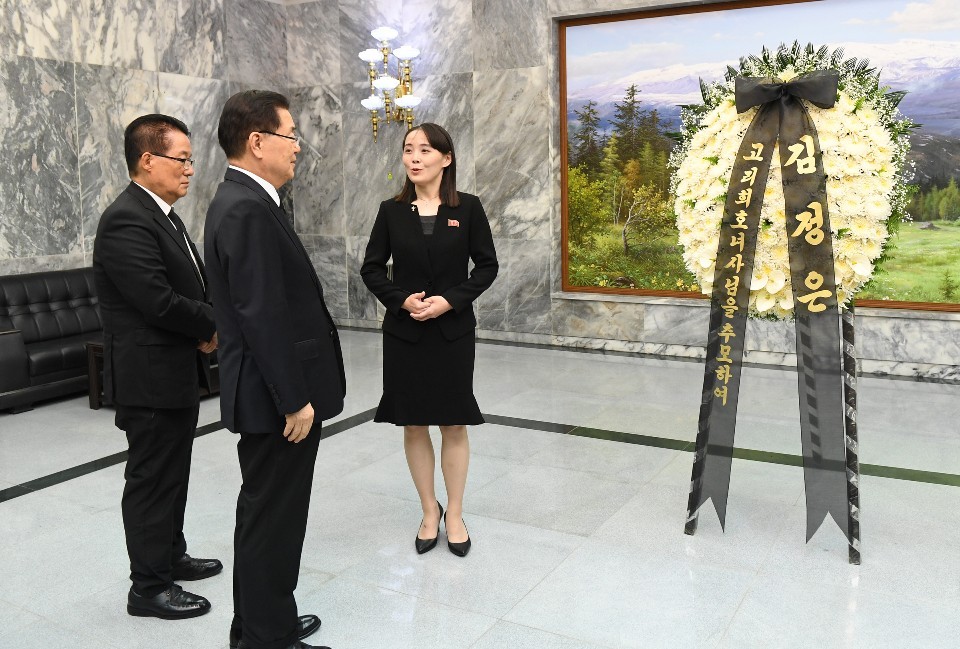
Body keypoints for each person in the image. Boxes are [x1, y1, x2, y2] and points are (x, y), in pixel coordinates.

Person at [204, 90, 345, 649]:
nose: (298, 148)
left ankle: (264, 622)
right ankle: (268, 637)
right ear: (257, 142)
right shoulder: (244, 208)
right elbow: (260, 314)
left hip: (271, 394)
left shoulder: (253, 202)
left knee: (271, 518)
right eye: (290, 136)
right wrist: (293, 398)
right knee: (273, 521)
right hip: (275, 401)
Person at [93, 114, 221, 620]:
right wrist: (213, 326)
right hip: (148, 379)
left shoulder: (162, 213)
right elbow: (157, 301)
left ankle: (170, 556)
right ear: (147, 160)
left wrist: (210, 320)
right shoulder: (127, 217)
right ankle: (148, 587)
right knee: (151, 479)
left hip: (174, 373)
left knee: (174, 473)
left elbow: (191, 283)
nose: (190, 169)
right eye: (182, 159)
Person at [360, 123, 498, 558]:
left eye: (424, 150)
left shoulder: (469, 209)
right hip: (405, 334)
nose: (414, 158)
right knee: (413, 422)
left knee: (453, 422)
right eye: (407, 150)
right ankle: (427, 510)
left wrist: (449, 302)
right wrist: (402, 301)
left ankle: (454, 513)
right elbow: (372, 269)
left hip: (452, 333)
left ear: (446, 158)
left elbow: (487, 267)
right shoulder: (391, 210)